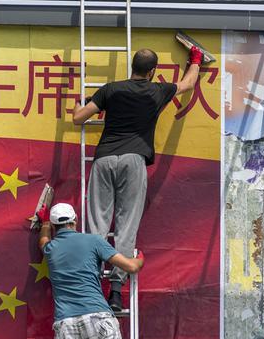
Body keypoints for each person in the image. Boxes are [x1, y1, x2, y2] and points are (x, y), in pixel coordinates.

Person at [71, 45, 206, 310]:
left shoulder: (111, 89)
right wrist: (196, 60)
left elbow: (78, 119)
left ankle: (94, 286)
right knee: (126, 225)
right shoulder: (158, 90)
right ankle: (116, 292)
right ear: (153, 71)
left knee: (98, 224)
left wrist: (81, 102)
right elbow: (189, 83)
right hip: (134, 161)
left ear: (132, 66)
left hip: (104, 158)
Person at [37, 203, 144, 339]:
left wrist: (45, 224)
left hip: (66, 323)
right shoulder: (93, 241)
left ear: (55, 227)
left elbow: (43, 240)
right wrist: (139, 259)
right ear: (75, 220)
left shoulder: (51, 249)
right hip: (97, 317)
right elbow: (131, 266)